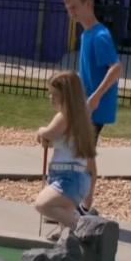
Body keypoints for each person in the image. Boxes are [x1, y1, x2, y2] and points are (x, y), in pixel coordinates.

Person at [63, 0, 123, 215]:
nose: (72, 12)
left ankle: (84, 206)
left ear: (88, 5)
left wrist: (95, 98)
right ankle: (82, 204)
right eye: (69, 8)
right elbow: (88, 70)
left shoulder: (99, 35)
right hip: (87, 104)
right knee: (85, 153)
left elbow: (116, 68)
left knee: (84, 154)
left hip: (96, 107)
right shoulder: (87, 34)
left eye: (75, 7)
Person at [34, 72, 98, 233]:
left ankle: (83, 227)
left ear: (67, 97)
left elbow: (47, 133)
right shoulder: (80, 120)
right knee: (63, 212)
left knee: (42, 204)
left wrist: (40, 131)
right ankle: (68, 238)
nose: (51, 97)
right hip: (73, 178)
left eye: (55, 94)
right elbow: (54, 140)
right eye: (50, 93)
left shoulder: (64, 117)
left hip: (68, 178)